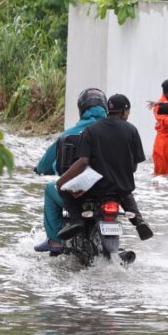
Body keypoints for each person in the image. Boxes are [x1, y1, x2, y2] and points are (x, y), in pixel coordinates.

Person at [56, 94, 154, 241]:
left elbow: (83, 162)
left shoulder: (91, 130)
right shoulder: (131, 130)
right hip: (119, 188)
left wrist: (62, 181)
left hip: (94, 189)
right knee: (126, 193)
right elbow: (133, 167)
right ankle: (138, 220)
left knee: (64, 189)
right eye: (128, 112)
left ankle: (77, 220)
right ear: (123, 112)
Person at [33, 88, 107, 253]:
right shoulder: (114, 133)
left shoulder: (69, 134)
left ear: (82, 109)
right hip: (109, 191)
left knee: (50, 190)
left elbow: (46, 164)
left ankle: (55, 241)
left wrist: (39, 169)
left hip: (77, 192)